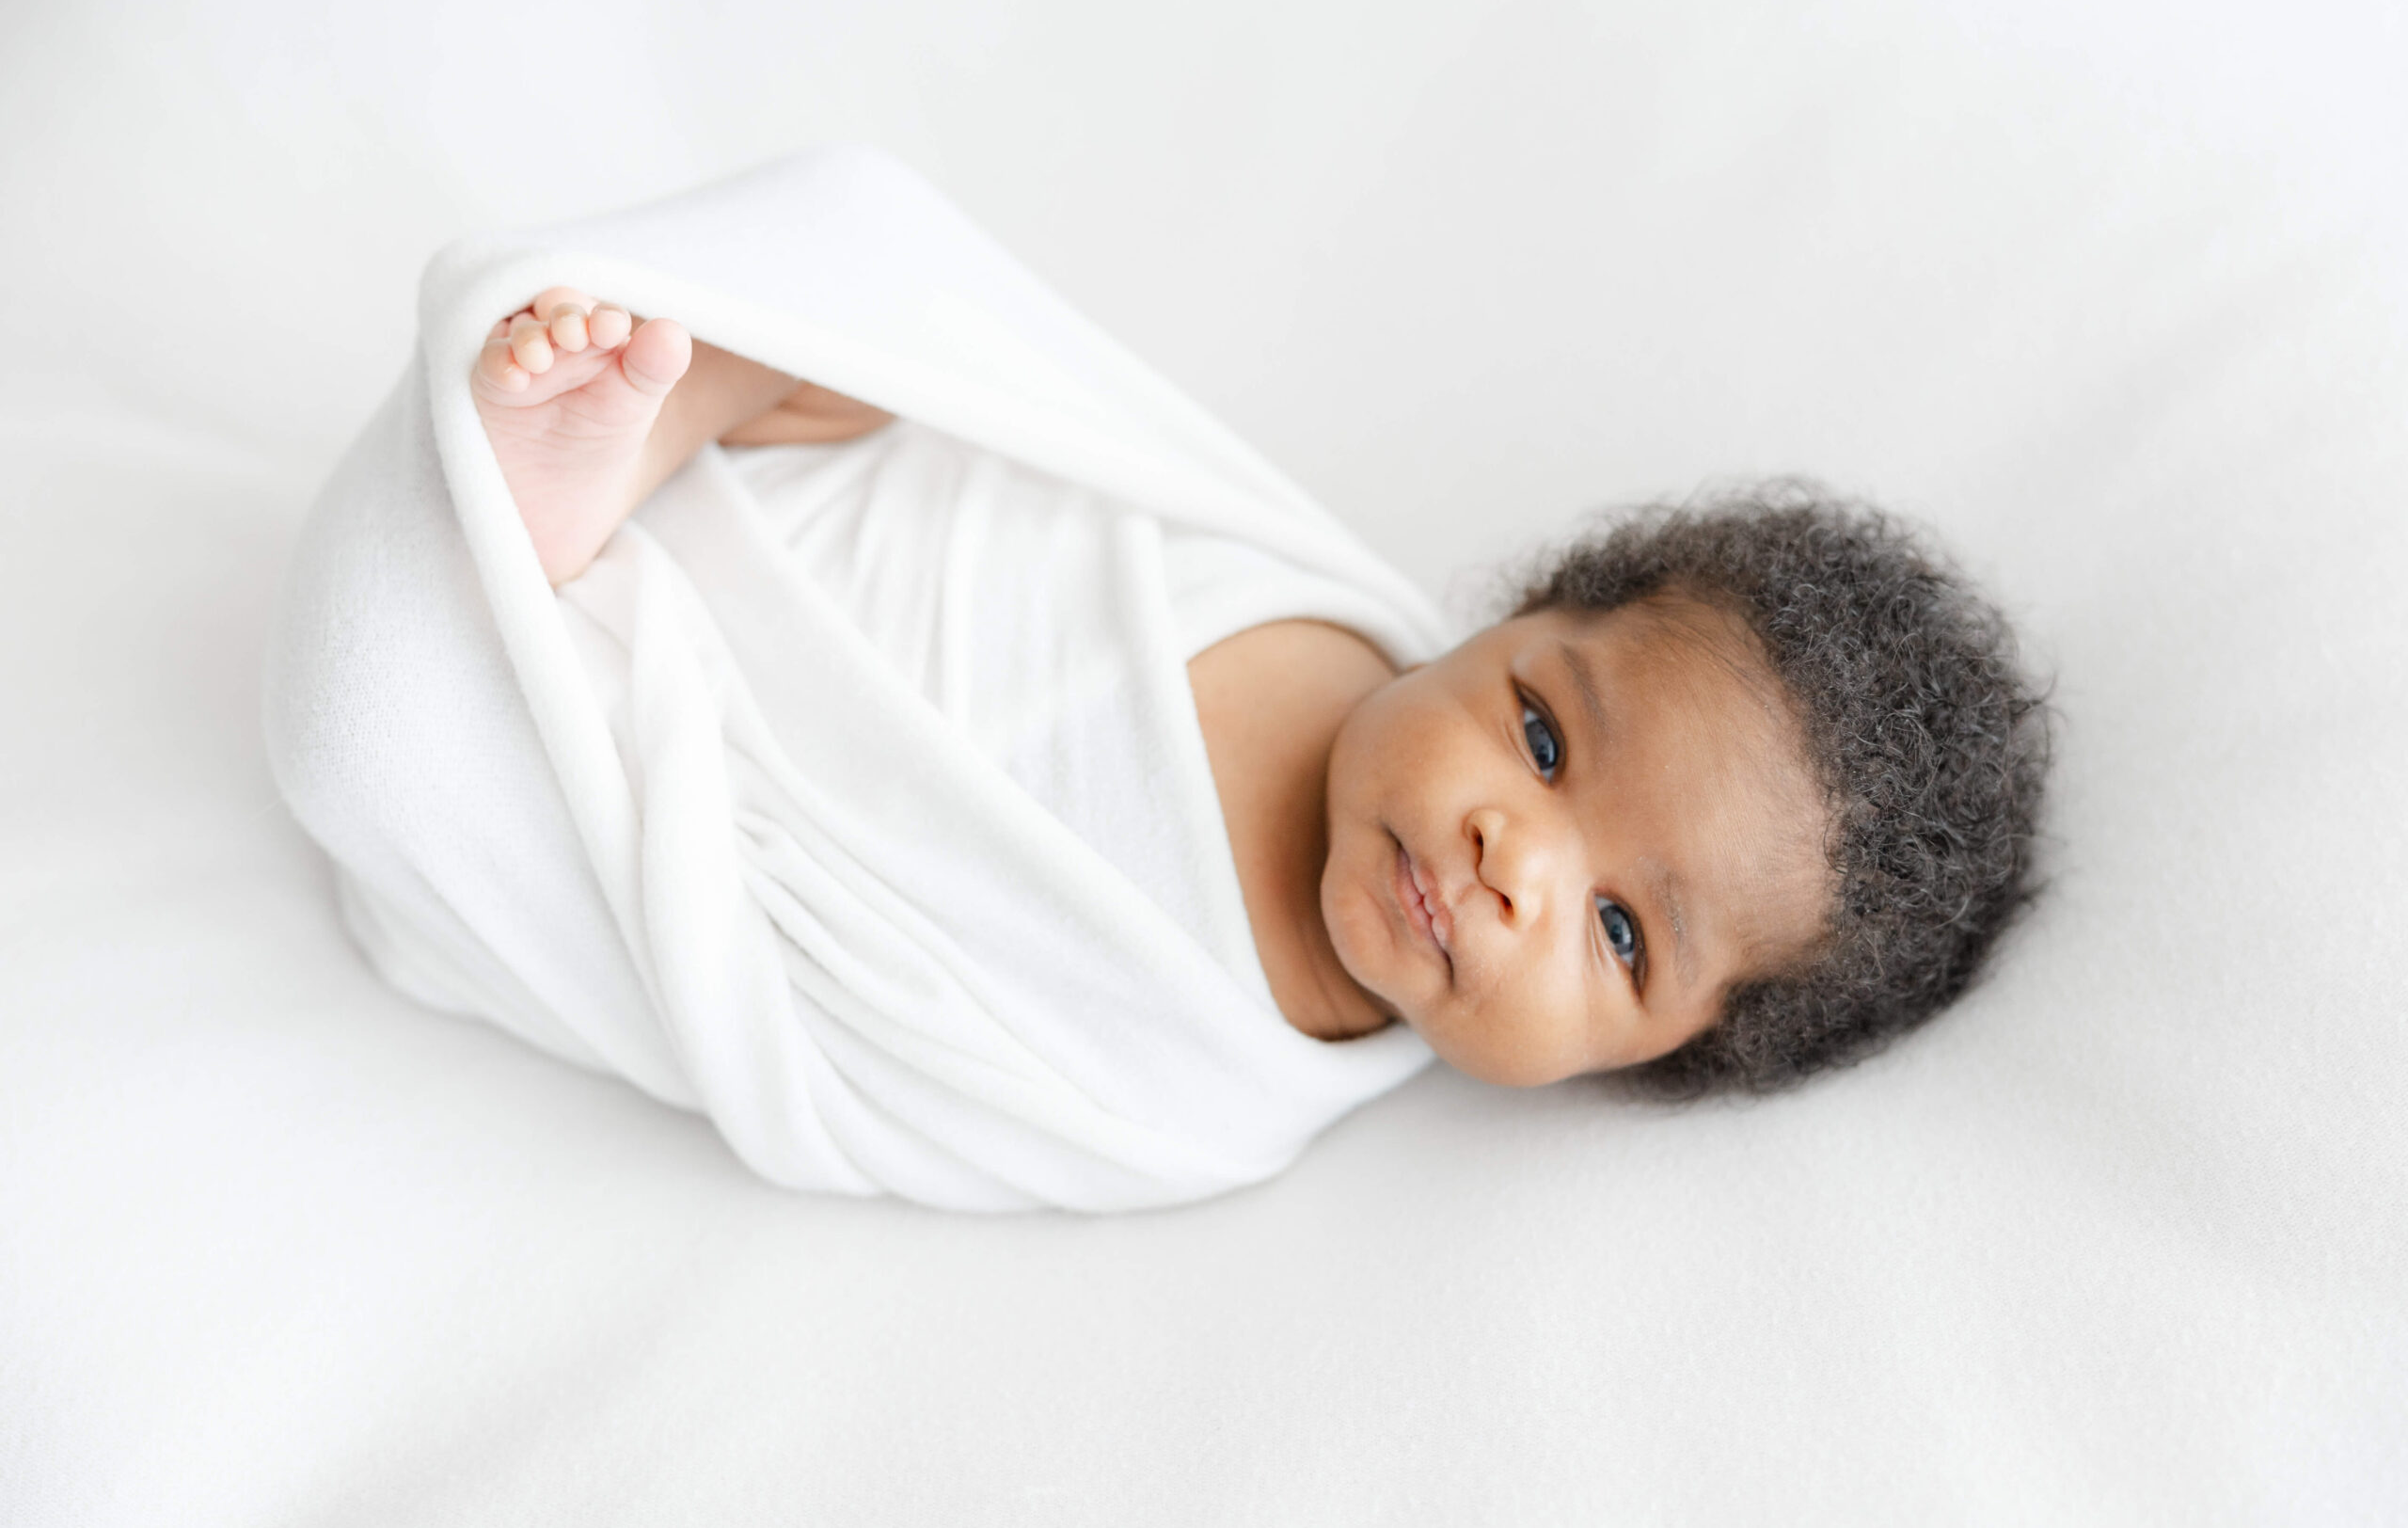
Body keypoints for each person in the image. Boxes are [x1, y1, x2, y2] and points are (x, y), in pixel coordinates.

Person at [471, 284, 2050, 1100]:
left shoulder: (1218, 1096)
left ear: (1663, 1057)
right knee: (886, 339)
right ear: (1502, 627)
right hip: (821, 528)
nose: (1518, 859)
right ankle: (642, 438)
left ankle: (536, 579)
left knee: (519, 803)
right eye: (1547, 737)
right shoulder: (1278, 584)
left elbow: (900, 1083)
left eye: (1620, 934)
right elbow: (1048, 470)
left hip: (716, 802)